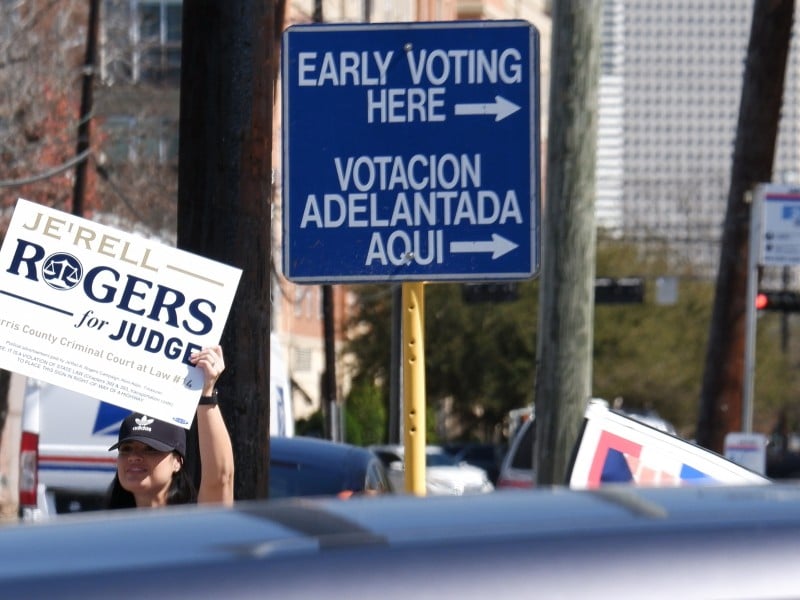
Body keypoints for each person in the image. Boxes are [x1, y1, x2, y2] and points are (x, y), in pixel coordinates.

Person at [106, 345, 234, 509]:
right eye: (126, 449)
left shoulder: (197, 526)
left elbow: (220, 481)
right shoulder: (104, 530)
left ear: (177, 462)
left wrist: (206, 392)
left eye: (150, 449)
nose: (133, 457)